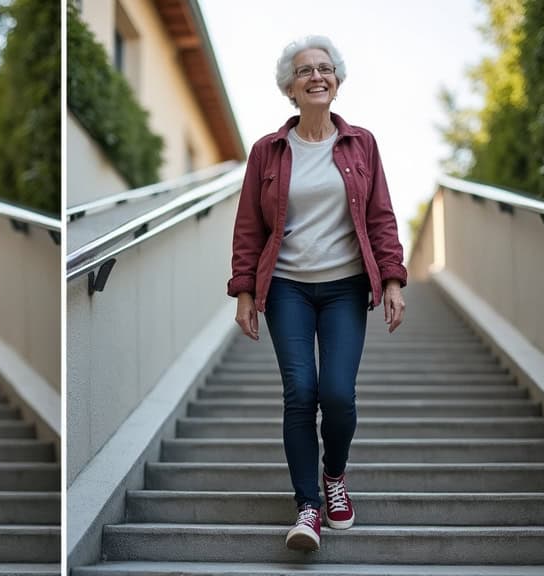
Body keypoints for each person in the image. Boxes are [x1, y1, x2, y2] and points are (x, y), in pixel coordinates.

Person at [226, 35, 406, 552]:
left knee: (337, 396)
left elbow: (380, 217)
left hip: (347, 287)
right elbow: (248, 228)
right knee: (300, 394)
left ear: (338, 81)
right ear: (290, 87)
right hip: (286, 289)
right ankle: (308, 506)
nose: (316, 76)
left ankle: (335, 475)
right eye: (304, 71)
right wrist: (243, 291)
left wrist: (392, 278)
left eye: (325, 68)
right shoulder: (267, 151)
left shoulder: (361, 144)